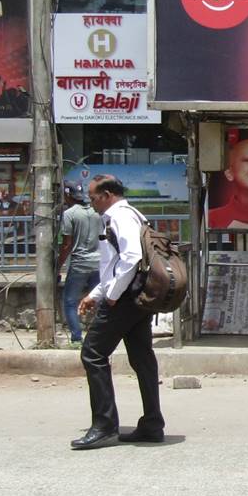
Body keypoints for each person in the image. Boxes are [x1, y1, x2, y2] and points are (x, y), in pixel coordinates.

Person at [71, 174, 164, 450]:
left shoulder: (119, 216)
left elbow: (132, 257)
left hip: (124, 299)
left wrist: (110, 296)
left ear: (108, 194)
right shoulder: (132, 214)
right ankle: (152, 424)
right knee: (142, 358)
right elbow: (115, 265)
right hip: (136, 297)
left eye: (94, 198)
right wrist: (95, 295)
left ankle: (104, 426)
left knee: (92, 353)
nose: (92, 204)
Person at [56, 181, 103, 346]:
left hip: (79, 265)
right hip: (98, 263)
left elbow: (67, 244)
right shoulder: (97, 212)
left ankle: (76, 339)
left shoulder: (69, 214)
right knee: (98, 301)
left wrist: (57, 266)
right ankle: (99, 338)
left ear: (67, 195)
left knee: (70, 302)